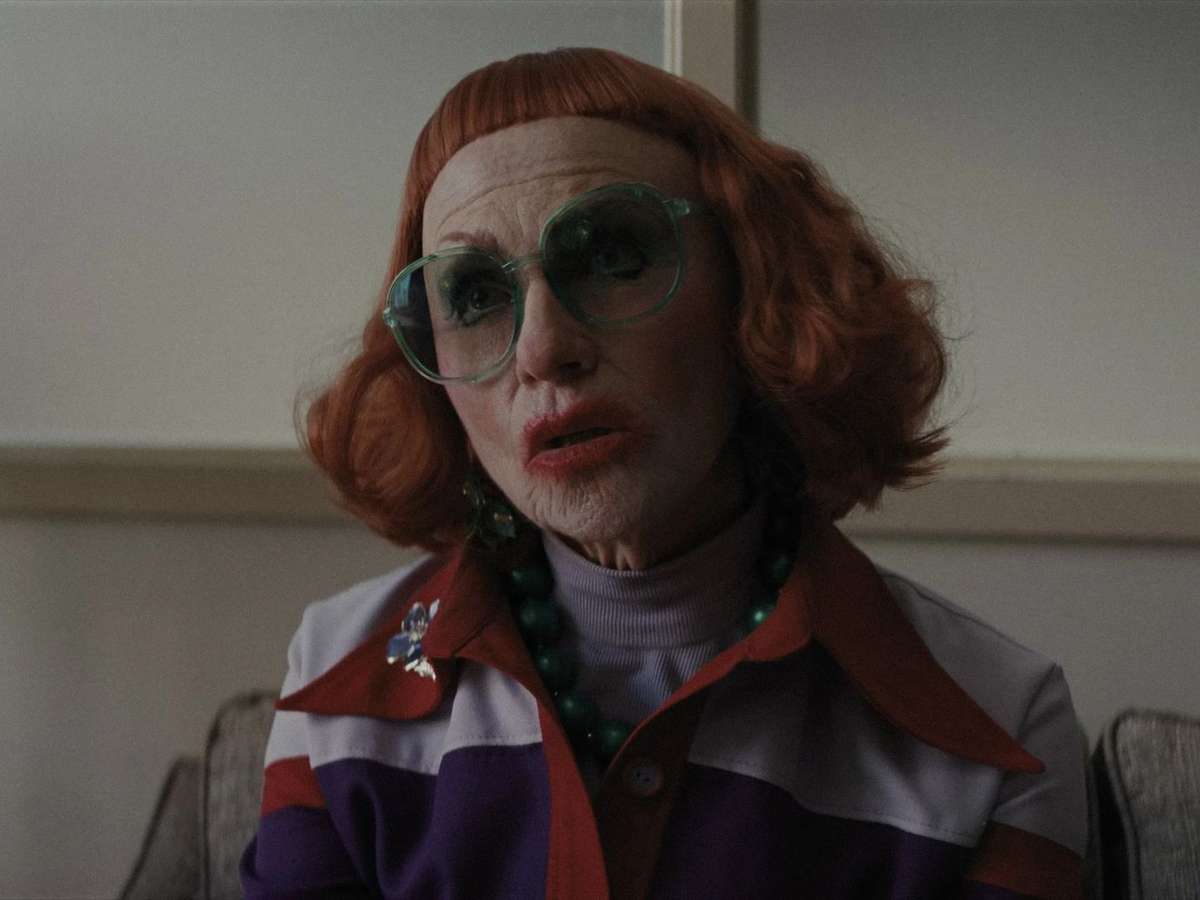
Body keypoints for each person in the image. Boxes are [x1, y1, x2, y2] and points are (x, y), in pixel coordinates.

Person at [240, 47, 1087, 899]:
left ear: (754, 293)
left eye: (612, 255)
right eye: (472, 295)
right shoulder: (337, 682)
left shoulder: (997, 729)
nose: (542, 349)